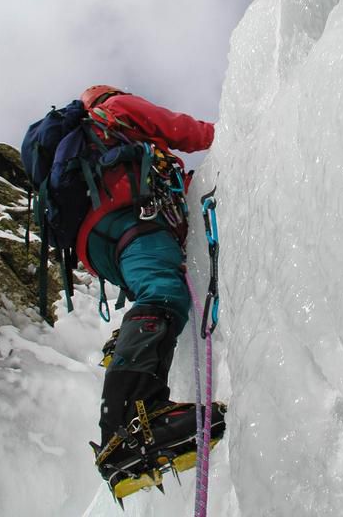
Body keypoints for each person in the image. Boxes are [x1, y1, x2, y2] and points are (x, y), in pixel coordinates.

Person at [73, 86, 226, 493]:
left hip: (101, 244)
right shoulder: (114, 110)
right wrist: (232, 135)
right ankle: (128, 426)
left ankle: (124, 351)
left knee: (152, 290)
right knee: (164, 293)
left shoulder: (88, 151)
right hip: (131, 218)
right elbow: (175, 128)